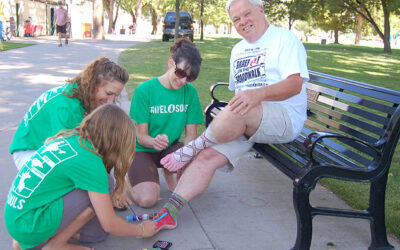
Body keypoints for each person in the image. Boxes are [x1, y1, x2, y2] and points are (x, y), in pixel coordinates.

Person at [152, 0, 309, 232]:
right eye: (236, 19)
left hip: (283, 119)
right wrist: (242, 107)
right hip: (248, 120)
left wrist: (258, 95)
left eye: (247, 14)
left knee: (242, 107)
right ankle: (169, 214)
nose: (242, 22)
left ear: (261, 10)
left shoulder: (285, 40)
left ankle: (192, 147)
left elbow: (295, 85)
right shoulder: (238, 50)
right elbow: (239, 94)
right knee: (207, 156)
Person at [5, 104, 157, 250]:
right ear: (115, 141)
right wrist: (141, 230)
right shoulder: (91, 162)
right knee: (107, 184)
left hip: (16, 218)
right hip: (29, 225)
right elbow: (109, 224)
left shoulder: (71, 139)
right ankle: (54, 244)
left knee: (97, 234)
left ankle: (34, 239)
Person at [9, 57, 129, 171]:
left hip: (45, 146)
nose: (111, 100)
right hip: (31, 151)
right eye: (108, 93)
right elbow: (66, 151)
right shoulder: (66, 107)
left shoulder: (80, 92)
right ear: (94, 83)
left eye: (115, 95)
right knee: (83, 175)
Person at [127, 38, 204, 208]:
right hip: (143, 150)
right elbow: (141, 137)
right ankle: (127, 181)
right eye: (181, 73)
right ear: (171, 63)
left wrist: (185, 157)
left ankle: (169, 172)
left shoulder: (190, 93)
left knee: (196, 165)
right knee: (147, 200)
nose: (183, 81)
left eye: (189, 78)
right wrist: (154, 141)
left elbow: (191, 135)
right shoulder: (144, 90)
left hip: (170, 148)